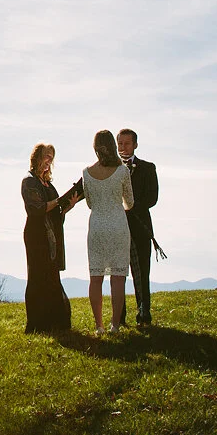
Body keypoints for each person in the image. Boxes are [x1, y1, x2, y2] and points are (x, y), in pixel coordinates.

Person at [21, 143, 80, 333]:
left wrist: (68, 205)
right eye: (46, 156)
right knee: (38, 275)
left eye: (51, 158)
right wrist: (58, 201)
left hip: (51, 234)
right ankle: (38, 323)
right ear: (37, 157)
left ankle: (55, 322)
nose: (48, 161)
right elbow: (37, 208)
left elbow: (56, 212)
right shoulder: (29, 181)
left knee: (52, 275)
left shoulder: (48, 183)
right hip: (37, 235)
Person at [81, 129, 133, 334]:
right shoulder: (122, 171)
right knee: (118, 277)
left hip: (96, 227)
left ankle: (98, 325)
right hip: (118, 225)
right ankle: (115, 325)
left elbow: (90, 203)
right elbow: (130, 202)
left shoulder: (87, 173)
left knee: (96, 277)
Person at [118, 127, 160, 326]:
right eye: (120, 143)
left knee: (142, 272)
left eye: (127, 143)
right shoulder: (111, 170)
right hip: (117, 226)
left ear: (135, 145)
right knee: (118, 273)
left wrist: (132, 207)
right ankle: (119, 316)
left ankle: (144, 314)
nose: (123, 147)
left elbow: (152, 198)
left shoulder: (147, 168)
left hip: (141, 226)